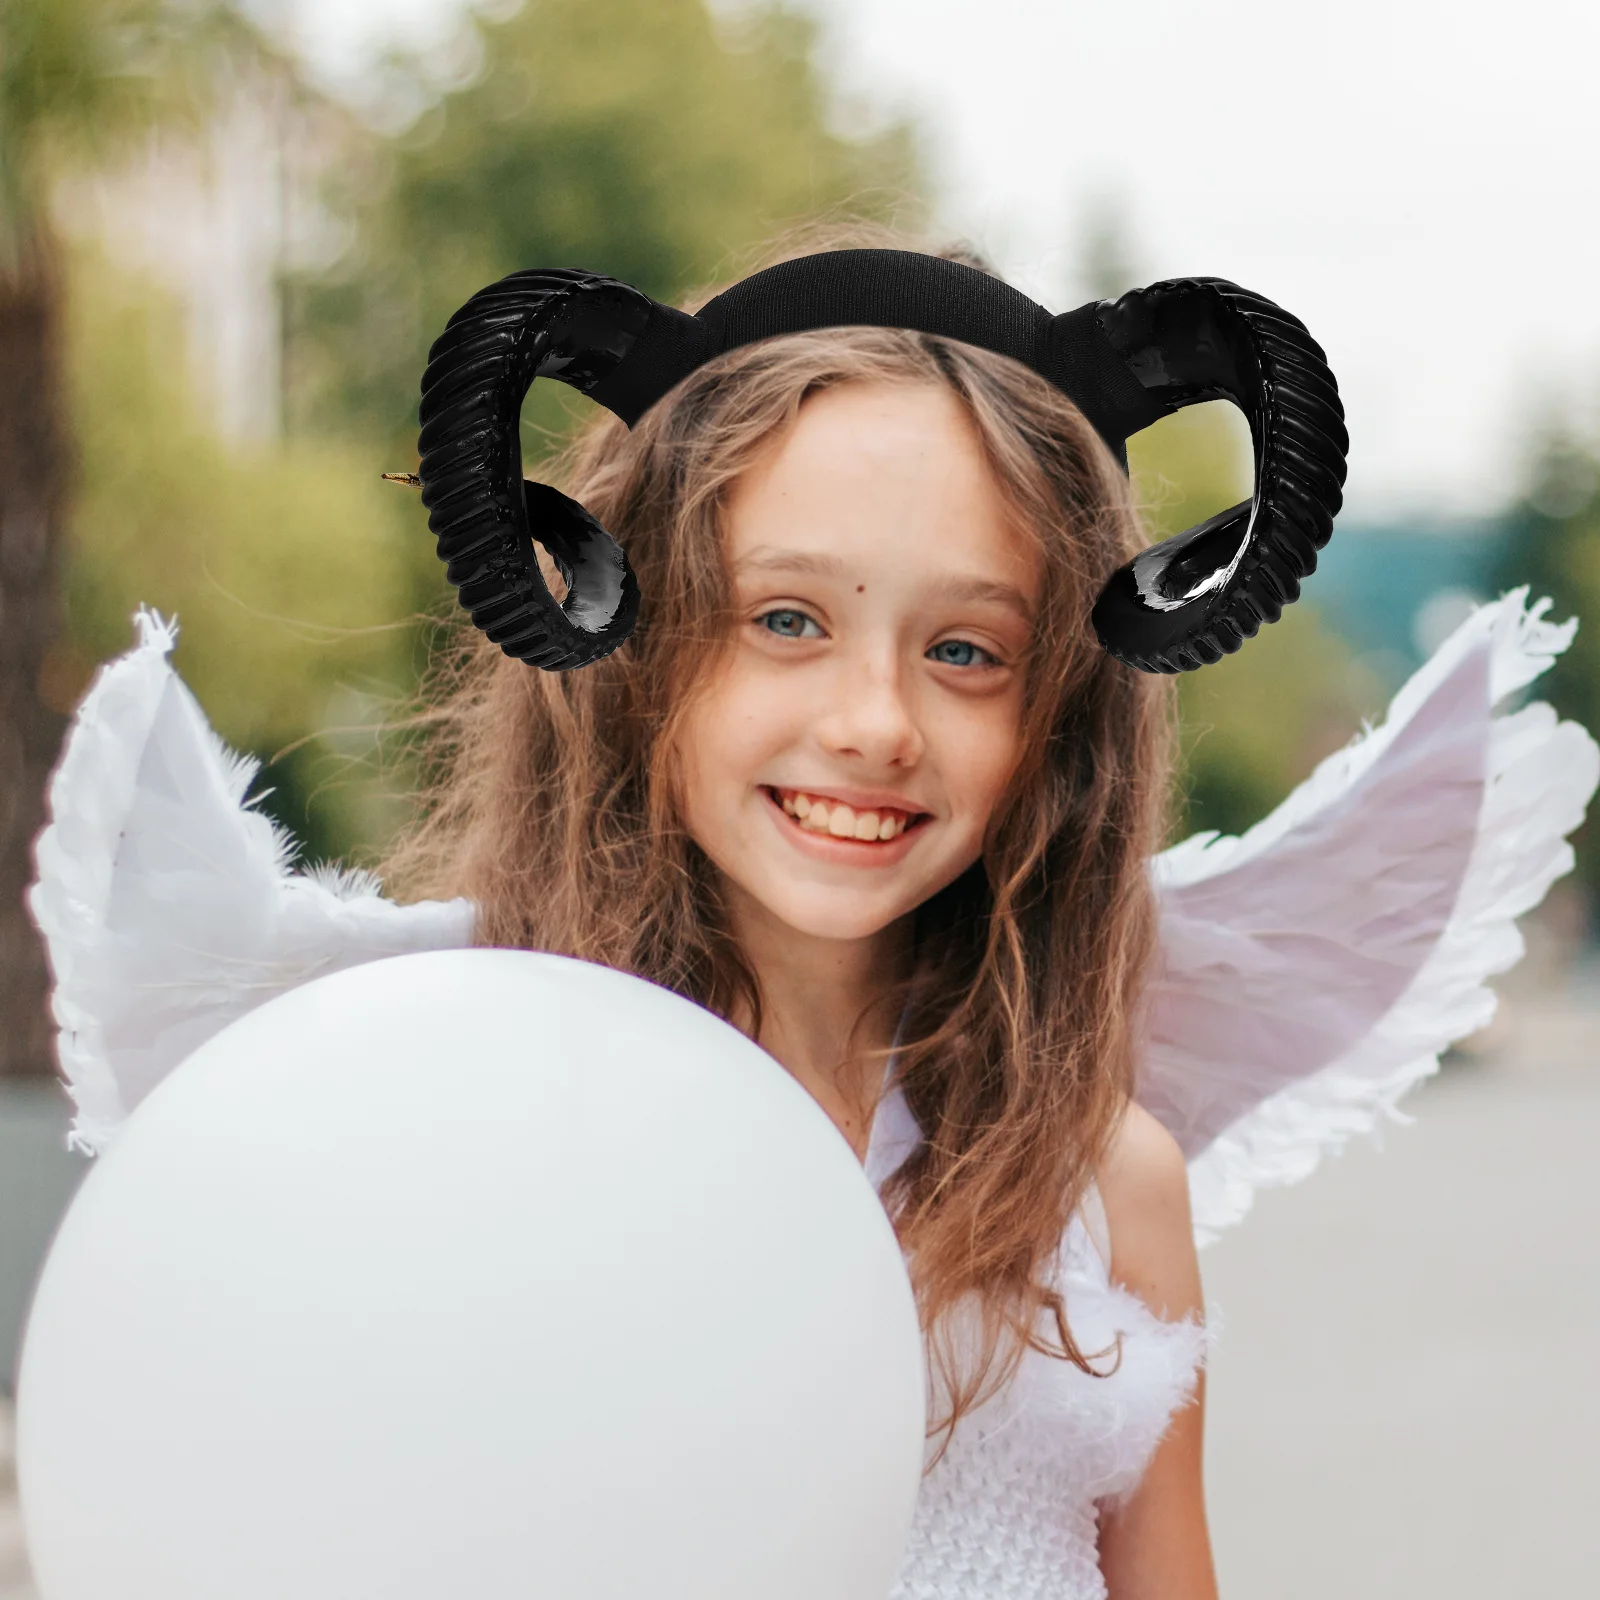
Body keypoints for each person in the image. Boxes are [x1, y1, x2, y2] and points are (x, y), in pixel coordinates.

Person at [27, 225, 1598, 1600]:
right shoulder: (441, 1117)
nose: (875, 720)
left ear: (1061, 720)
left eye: (968, 650)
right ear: (623, 635)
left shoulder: (1109, 1190)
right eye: (786, 619)